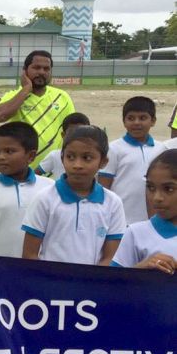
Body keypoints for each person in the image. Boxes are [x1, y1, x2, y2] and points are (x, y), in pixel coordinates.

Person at [22, 126, 126, 265]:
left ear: (103, 162)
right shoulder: (44, 199)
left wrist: (90, 282)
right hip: (51, 283)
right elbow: (30, 255)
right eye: (70, 157)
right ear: (62, 158)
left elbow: (109, 258)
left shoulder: (113, 203)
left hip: (92, 284)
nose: (77, 165)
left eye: (87, 158)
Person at [0, 122, 55, 258]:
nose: (0, 157)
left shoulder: (50, 187)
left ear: (30, 156)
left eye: (9, 151)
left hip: (38, 270)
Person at [0, 50, 76, 168]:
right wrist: (26, 89)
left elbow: (73, 130)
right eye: (36, 68)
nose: (41, 72)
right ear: (25, 70)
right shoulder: (15, 95)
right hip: (22, 170)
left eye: (46, 69)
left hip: (55, 170)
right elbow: (0, 116)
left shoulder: (62, 97)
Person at [99, 96, 166, 225]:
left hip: (153, 221)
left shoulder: (161, 149)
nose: (136, 123)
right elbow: (103, 187)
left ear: (153, 121)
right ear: (124, 121)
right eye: (131, 118)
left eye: (142, 118)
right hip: (122, 220)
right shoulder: (114, 149)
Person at [111, 149, 177, 274]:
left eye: (168, 189)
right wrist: (142, 268)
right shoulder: (135, 233)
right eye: (151, 188)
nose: (157, 197)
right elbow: (112, 284)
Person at [36, 112, 90, 179]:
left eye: (82, 133)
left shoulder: (94, 157)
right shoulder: (55, 156)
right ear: (63, 135)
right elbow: (34, 176)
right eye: (72, 134)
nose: (77, 138)